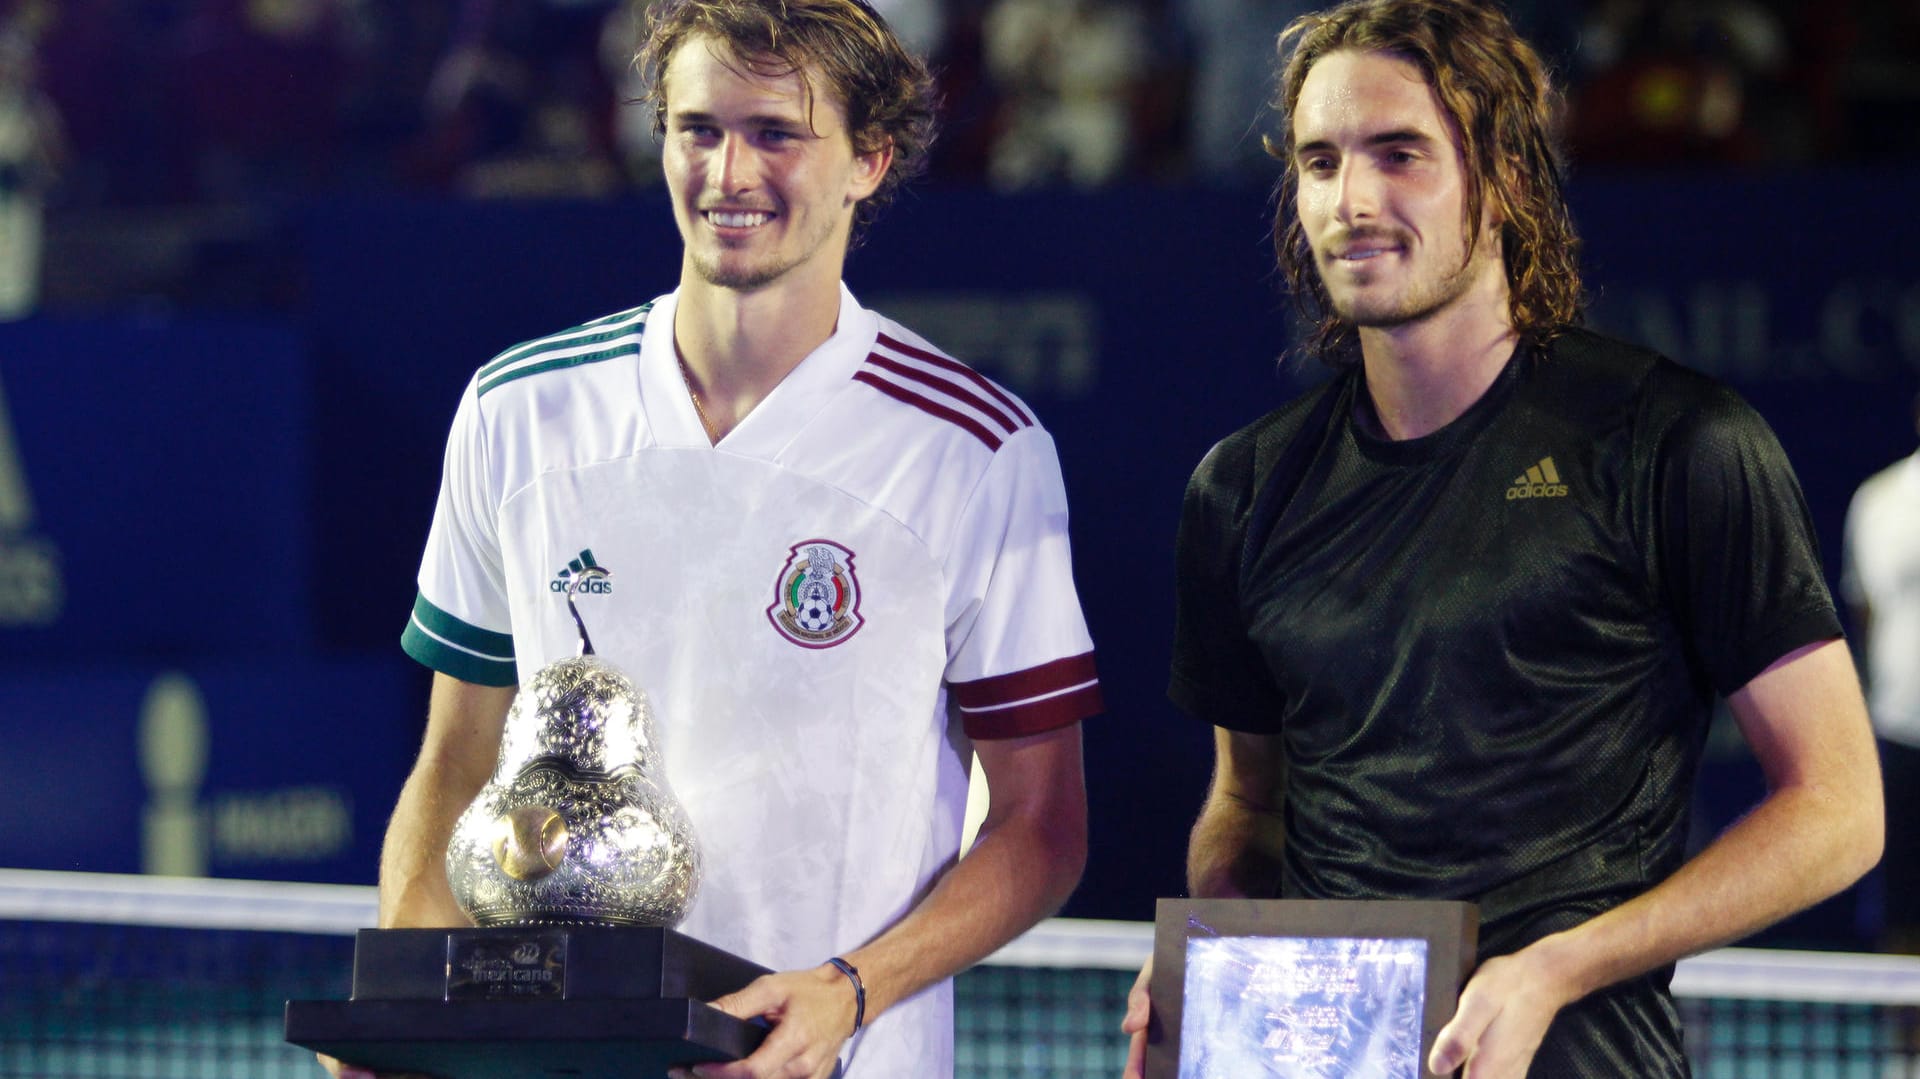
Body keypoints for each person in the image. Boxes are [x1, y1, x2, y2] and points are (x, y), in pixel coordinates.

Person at [322, 3, 1101, 1078]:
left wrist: (848, 989)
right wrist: (406, 1004)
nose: (728, 173)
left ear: (869, 159)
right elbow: (457, 761)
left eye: (775, 133)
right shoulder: (519, 410)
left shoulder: (977, 449)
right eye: (698, 129)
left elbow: (1043, 825)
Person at [1120, 1, 1882, 1076]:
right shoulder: (1242, 487)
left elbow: (1839, 810)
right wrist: (1221, 971)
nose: (1354, 200)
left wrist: (1555, 967)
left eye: (1402, 154)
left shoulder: (1675, 443)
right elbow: (1246, 809)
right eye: (1322, 160)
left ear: (1509, 177)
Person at [1843, 393, 1920, 954]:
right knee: (1903, 903)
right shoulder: (1880, 502)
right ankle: (1906, 1044)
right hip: (1900, 730)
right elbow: (1863, 613)